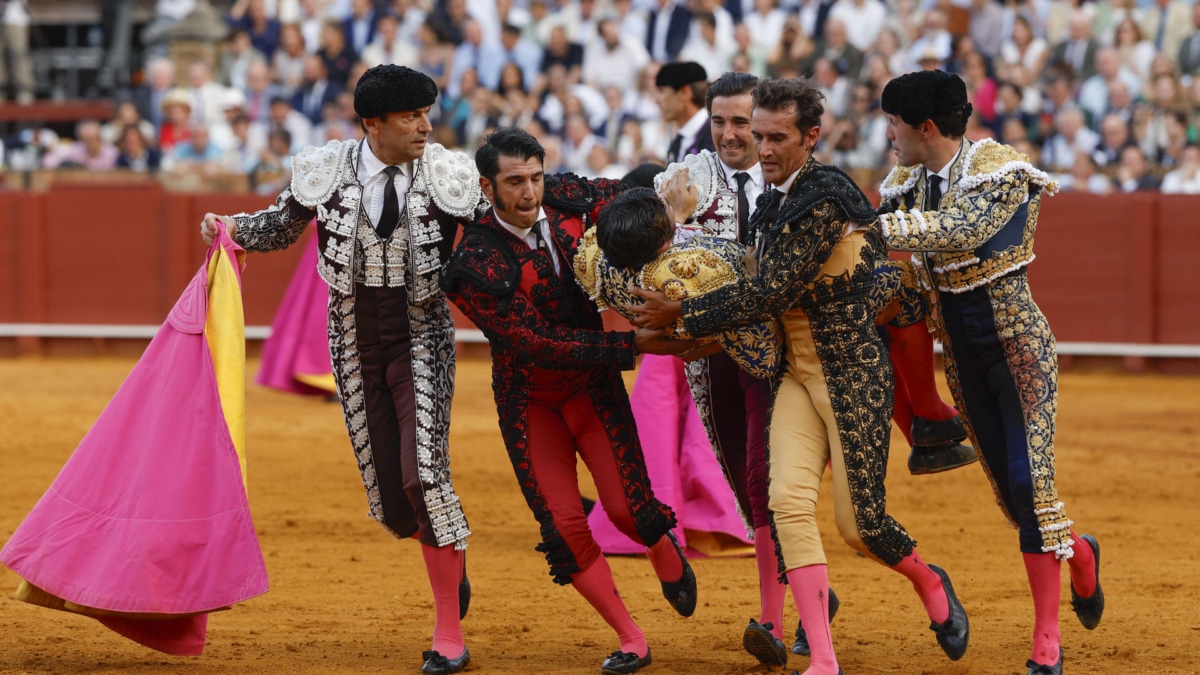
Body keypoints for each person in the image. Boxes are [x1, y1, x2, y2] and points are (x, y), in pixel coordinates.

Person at [626, 77, 970, 675]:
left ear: (810, 137)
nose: (761, 148)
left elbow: (771, 289)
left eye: (775, 137)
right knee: (783, 503)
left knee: (859, 526)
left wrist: (685, 311)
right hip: (793, 372)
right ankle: (823, 657)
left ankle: (928, 579)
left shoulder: (824, 195)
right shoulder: (772, 197)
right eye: (756, 134)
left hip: (850, 371)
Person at [199, 65, 478, 675]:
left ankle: (448, 635)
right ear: (372, 124)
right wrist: (231, 229)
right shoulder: (326, 170)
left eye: (427, 113)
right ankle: (445, 548)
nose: (425, 126)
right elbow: (278, 226)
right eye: (410, 117)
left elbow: (502, 228)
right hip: (351, 340)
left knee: (423, 475)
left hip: (421, 335)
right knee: (390, 499)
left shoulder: (449, 172)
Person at [439, 128, 695, 675]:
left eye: (535, 177)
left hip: (592, 388)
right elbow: (534, 342)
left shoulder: (568, 197)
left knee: (630, 511)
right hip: (529, 400)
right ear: (488, 187)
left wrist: (662, 200)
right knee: (562, 528)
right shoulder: (475, 261)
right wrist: (632, 343)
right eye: (515, 183)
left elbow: (633, 196)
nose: (530, 192)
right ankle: (631, 638)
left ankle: (659, 544)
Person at [874, 70, 1104, 675]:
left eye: (894, 123)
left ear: (925, 127)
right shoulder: (905, 184)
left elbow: (963, 231)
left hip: (1020, 350)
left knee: (1033, 486)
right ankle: (1080, 554)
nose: (888, 135)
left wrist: (868, 227)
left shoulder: (1002, 170)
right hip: (965, 365)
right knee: (1013, 497)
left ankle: (1046, 643)